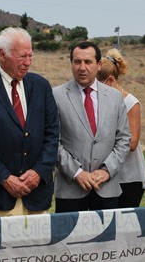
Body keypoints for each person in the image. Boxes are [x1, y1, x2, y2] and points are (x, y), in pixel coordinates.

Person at [0, 27, 59, 217]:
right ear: (2, 54)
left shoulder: (41, 86)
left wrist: (38, 172)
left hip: (37, 194)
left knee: (39, 247)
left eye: (30, 56)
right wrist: (5, 179)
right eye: (22, 56)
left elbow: (52, 133)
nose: (27, 63)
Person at [53, 41, 131, 212]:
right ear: (71, 64)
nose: (82, 67)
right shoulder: (56, 96)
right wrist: (77, 173)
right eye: (77, 62)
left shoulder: (115, 97)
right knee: (69, 239)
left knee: (108, 239)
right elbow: (52, 141)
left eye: (88, 62)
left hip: (107, 188)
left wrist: (107, 170)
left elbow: (124, 139)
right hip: (70, 190)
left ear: (99, 65)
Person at [96, 48, 145, 208]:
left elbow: (132, 143)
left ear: (111, 81)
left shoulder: (131, 103)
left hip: (129, 176)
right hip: (106, 174)